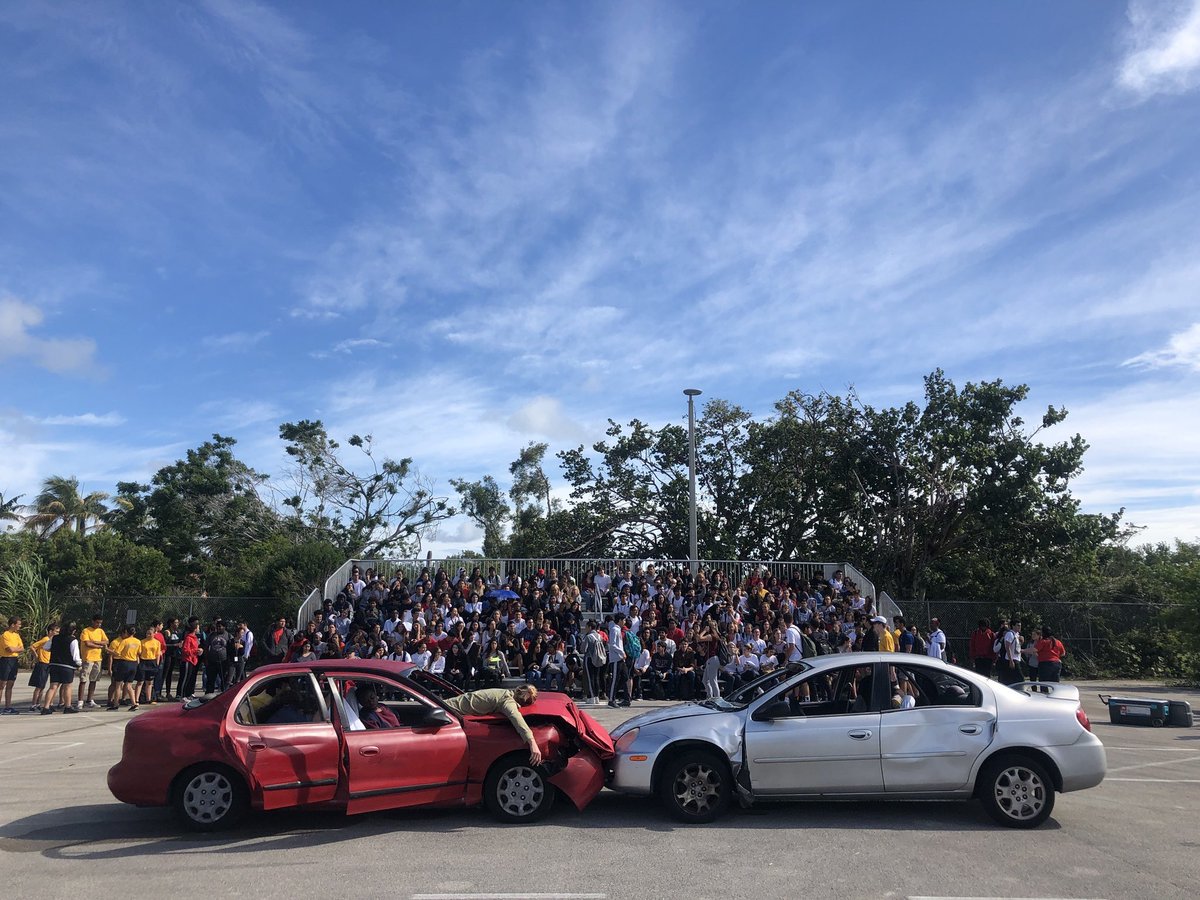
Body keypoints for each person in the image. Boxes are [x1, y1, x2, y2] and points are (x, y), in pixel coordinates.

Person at [441, 684, 543, 765]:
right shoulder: (507, 701)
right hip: (447, 711)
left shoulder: (502, 692)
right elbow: (516, 718)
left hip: (446, 705)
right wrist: (532, 742)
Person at [44, 621, 82, 714]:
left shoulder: (55, 638)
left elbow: (46, 647)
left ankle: (46, 707)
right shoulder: (73, 640)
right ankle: (67, 706)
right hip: (67, 666)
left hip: (54, 664)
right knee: (67, 686)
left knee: (53, 686)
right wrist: (79, 664)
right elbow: (75, 655)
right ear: (73, 631)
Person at [77, 612, 109, 709]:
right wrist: (99, 645)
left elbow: (106, 641)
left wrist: (96, 642)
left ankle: (90, 700)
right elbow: (87, 643)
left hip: (97, 658)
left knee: (93, 680)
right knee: (83, 679)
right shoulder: (86, 631)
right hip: (88, 658)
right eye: (97, 623)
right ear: (92, 621)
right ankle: (80, 701)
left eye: (100, 623)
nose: (98, 625)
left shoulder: (100, 631)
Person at [109, 626, 142, 711]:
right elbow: (139, 652)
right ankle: (134, 703)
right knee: (129, 685)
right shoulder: (138, 641)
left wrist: (108, 650)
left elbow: (117, 653)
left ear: (127, 632)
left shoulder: (125, 641)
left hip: (124, 663)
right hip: (134, 663)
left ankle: (115, 704)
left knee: (118, 684)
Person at [29, 623, 58, 712]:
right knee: (39, 686)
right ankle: (33, 704)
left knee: (42, 685)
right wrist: (37, 656)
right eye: (56, 631)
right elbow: (32, 646)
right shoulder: (45, 639)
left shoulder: (53, 641)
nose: (57, 633)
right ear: (50, 631)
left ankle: (38, 703)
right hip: (42, 663)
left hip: (48, 664)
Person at [1, 616, 25, 715]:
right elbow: (9, 649)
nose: (19, 626)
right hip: (5, 660)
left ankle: (8, 707)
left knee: (10, 684)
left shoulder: (16, 635)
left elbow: (22, 648)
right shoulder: (5, 635)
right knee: (2, 684)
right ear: (12, 625)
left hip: (14, 660)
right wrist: (16, 648)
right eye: (18, 624)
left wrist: (15, 648)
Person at [135, 625, 162, 706]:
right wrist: (139, 663)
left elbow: (157, 654)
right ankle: (136, 700)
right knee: (140, 681)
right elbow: (138, 654)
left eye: (150, 633)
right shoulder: (142, 642)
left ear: (154, 634)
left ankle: (148, 699)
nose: (148, 635)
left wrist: (157, 664)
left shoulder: (157, 642)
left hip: (152, 662)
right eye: (147, 633)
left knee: (149, 682)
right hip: (143, 662)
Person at [997, 619, 1023, 686]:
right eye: (1018, 625)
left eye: (1020, 626)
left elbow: (1016, 647)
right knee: (1020, 679)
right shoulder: (1010, 634)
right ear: (1013, 626)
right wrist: (1011, 660)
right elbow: (1007, 647)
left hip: (1017, 658)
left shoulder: (1017, 634)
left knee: (1013, 679)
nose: (1020, 627)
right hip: (1011, 659)